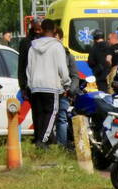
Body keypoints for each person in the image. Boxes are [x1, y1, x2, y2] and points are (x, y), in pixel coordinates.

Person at [27, 18, 70, 147]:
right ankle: (43, 141)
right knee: (51, 114)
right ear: (55, 30)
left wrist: (30, 84)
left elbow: (29, 68)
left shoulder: (32, 47)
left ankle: (40, 140)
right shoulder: (57, 46)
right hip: (51, 86)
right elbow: (62, 68)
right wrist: (66, 83)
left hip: (35, 86)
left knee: (39, 115)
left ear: (42, 29)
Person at [54, 27, 80, 149]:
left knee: (62, 118)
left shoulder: (68, 55)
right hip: (49, 91)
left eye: (55, 37)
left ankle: (62, 147)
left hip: (63, 92)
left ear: (60, 38)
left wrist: (70, 90)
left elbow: (75, 76)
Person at [17, 19, 42, 99]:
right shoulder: (25, 42)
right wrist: (22, 86)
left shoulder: (47, 42)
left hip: (45, 85)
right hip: (30, 84)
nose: (38, 32)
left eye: (40, 29)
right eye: (36, 29)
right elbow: (21, 65)